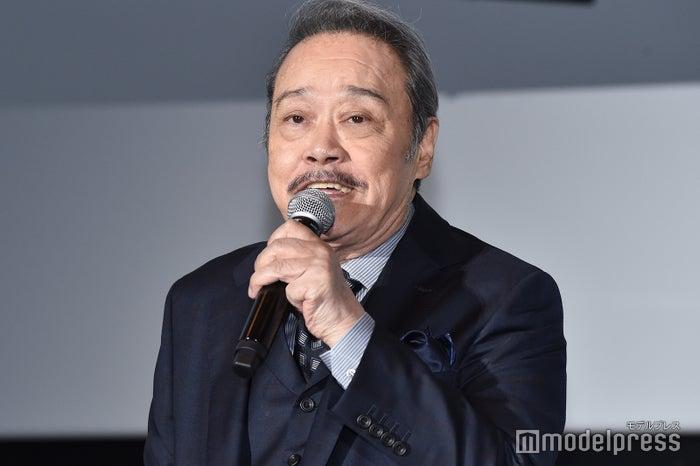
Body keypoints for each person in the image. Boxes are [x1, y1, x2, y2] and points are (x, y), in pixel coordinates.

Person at [143, 0, 566, 464]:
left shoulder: (507, 298)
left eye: (356, 118)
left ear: (423, 147)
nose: (321, 149)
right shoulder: (200, 302)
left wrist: (347, 329)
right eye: (296, 118)